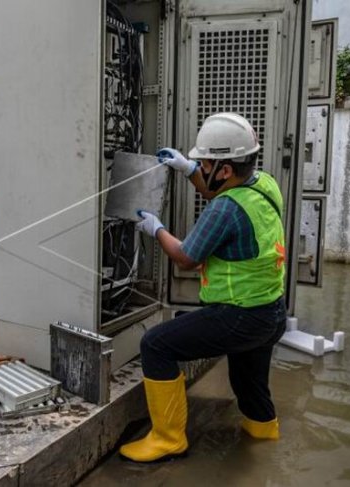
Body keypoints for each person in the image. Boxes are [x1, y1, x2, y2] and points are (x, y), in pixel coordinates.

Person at [119, 113, 288, 463]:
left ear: (224, 169)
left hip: (237, 316)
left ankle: (168, 439)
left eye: (204, 162)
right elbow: (216, 185)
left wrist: (155, 229)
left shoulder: (225, 209)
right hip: (271, 313)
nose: (200, 165)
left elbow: (186, 258)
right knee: (248, 382)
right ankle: (263, 433)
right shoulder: (264, 184)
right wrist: (187, 170)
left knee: (157, 344)